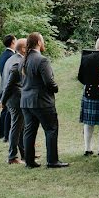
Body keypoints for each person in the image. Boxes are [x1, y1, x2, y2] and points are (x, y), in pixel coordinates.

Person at [20, 32, 68, 169]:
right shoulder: (42, 60)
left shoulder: (24, 59)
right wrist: (56, 88)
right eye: (43, 40)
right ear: (39, 43)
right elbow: (48, 81)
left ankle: (29, 161)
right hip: (41, 102)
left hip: (26, 101)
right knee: (51, 129)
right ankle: (52, 161)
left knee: (29, 131)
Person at [77, 37, 99, 156]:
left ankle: (87, 148)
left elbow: (80, 77)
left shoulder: (85, 58)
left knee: (88, 121)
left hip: (88, 91)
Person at [0, 38, 26, 164]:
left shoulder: (11, 59)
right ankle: (12, 157)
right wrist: (2, 100)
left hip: (11, 98)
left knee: (21, 127)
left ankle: (25, 153)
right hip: (15, 99)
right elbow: (9, 84)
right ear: (23, 49)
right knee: (16, 127)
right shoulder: (18, 62)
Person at [0, 35, 17, 141]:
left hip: (4, 83)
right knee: (8, 111)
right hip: (8, 85)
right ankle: (5, 135)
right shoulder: (10, 56)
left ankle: (2, 133)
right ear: (13, 42)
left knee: (5, 111)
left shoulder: (4, 55)